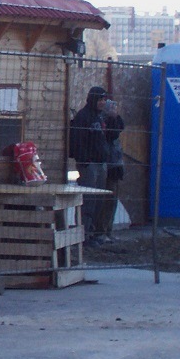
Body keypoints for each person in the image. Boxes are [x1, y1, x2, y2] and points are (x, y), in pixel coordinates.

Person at [69, 85, 125, 246]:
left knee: (99, 200)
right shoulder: (83, 117)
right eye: (100, 99)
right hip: (89, 164)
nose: (102, 102)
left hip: (101, 164)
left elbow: (115, 133)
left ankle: (93, 233)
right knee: (88, 200)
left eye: (104, 99)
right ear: (93, 99)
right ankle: (83, 234)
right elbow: (77, 140)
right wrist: (84, 160)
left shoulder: (101, 117)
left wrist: (114, 117)